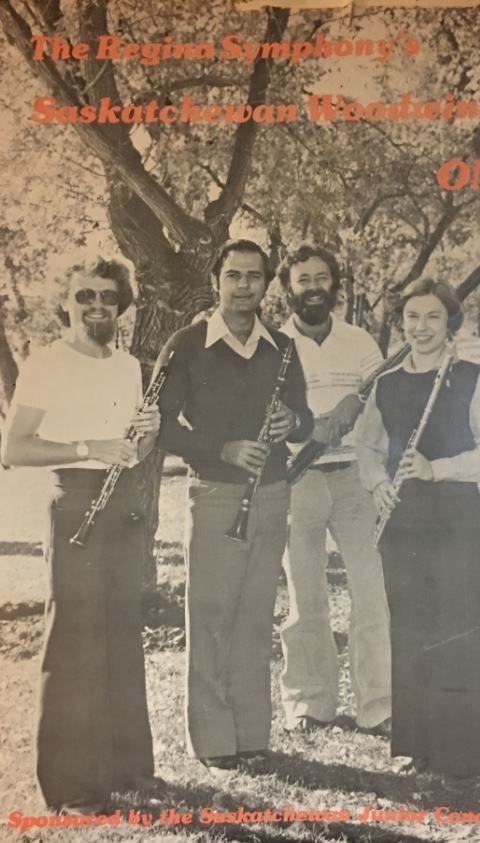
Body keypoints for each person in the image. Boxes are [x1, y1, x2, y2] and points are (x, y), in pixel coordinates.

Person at [1, 257, 162, 815]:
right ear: (65, 302)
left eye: (108, 296)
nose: (97, 305)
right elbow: (14, 448)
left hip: (121, 503)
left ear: (122, 304)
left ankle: (127, 770)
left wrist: (146, 436)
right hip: (72, 499)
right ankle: (69, 789)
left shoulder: (128, 365)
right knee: (73, 641)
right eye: (85, 295)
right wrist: (87, 448)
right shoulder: (46, 362)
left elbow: (134, 451)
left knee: (120, 632)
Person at [154, 238, 313, 770]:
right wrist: (220, 448)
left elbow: (305, 417)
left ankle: (252, 733)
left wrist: (294, 423)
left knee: (254, 616)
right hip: (217, 494)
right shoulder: (188, 343)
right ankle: (215, 739)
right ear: (216, 281)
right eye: (234, 276)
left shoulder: (283, 347)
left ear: (267, 284)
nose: (244, 286)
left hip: (271, 494)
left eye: (254, 277)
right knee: (212, 614)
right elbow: (161, 428)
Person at [356, 277, 480, 781]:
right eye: (413, 317)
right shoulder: (388, 383)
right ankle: (421, 747)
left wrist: (437, 469)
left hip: (456, 519)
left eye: (433, 318)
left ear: (450, 324)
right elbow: (368, 449)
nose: (421, 328)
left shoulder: (472, 378)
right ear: (402, 323)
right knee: (413, 630)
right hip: (404, 522)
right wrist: (377, 484)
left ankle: (465, 753)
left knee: (456, 629)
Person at [277, 244, 391, 735]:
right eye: (303, 280)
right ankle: (309, 703)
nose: (313, 288)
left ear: (334, 286)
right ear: (288, 289)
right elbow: (264, 412)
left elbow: (385, 400)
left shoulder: (360, 340)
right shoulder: (272, 344)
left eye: (321, 278)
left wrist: (354, 408)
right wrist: (310, 428)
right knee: (305, 597)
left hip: (355, 481)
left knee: (372, 593)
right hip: (295, 478)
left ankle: (380, 705)